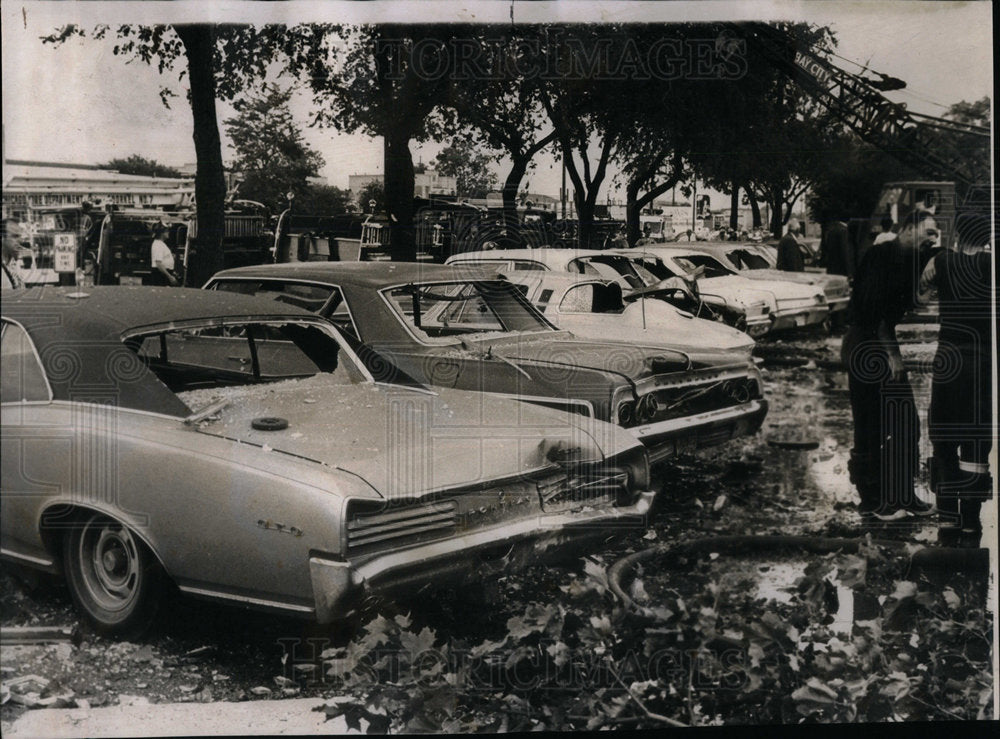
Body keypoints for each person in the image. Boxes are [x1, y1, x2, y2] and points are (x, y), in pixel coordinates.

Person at [841, 209, 940, 523]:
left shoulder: (911, 259)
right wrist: (892, 354)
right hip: (866, 346)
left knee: (906, 423)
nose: (932, 239)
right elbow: (873, 312)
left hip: (880, 346)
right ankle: (873, 501)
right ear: (909, 228)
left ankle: (902, 495)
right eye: (928, 232)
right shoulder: (880, 256)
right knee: (870, 425)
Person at [917, 212, 993, 546]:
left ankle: (947, 516)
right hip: (983, 361)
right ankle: (971, 521)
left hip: (949, 357)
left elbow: (921, 291)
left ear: (958, 236)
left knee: (944, 436)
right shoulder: (992, 264)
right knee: (977, 441)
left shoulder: (943, 261)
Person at [2, 220, 26, 289]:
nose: (21, 240)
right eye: (15, 236)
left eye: (20, 236)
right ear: (3, 238)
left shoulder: (13, 264)